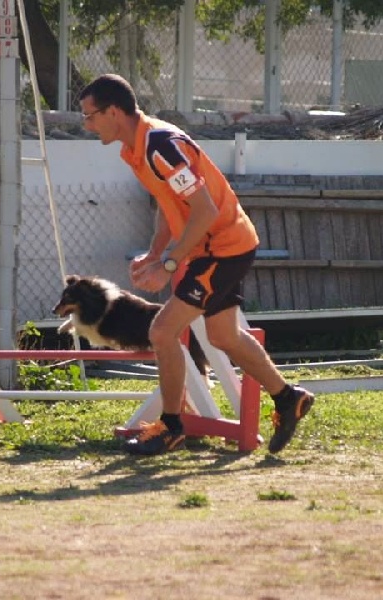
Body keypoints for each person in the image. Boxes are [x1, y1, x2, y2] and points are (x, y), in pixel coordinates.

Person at [78, 74, 314, 456]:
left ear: (115, 112)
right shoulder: (136, 148)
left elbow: (204, 211)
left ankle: (171, 428)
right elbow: (167, 203)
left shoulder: (159, 147)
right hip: (216, 246)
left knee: (162, 331)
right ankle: (289, 398)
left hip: (223, 247)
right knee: (222, 337)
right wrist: (156, 253)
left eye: (90, 116)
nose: (87, 125)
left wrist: (169, 265)